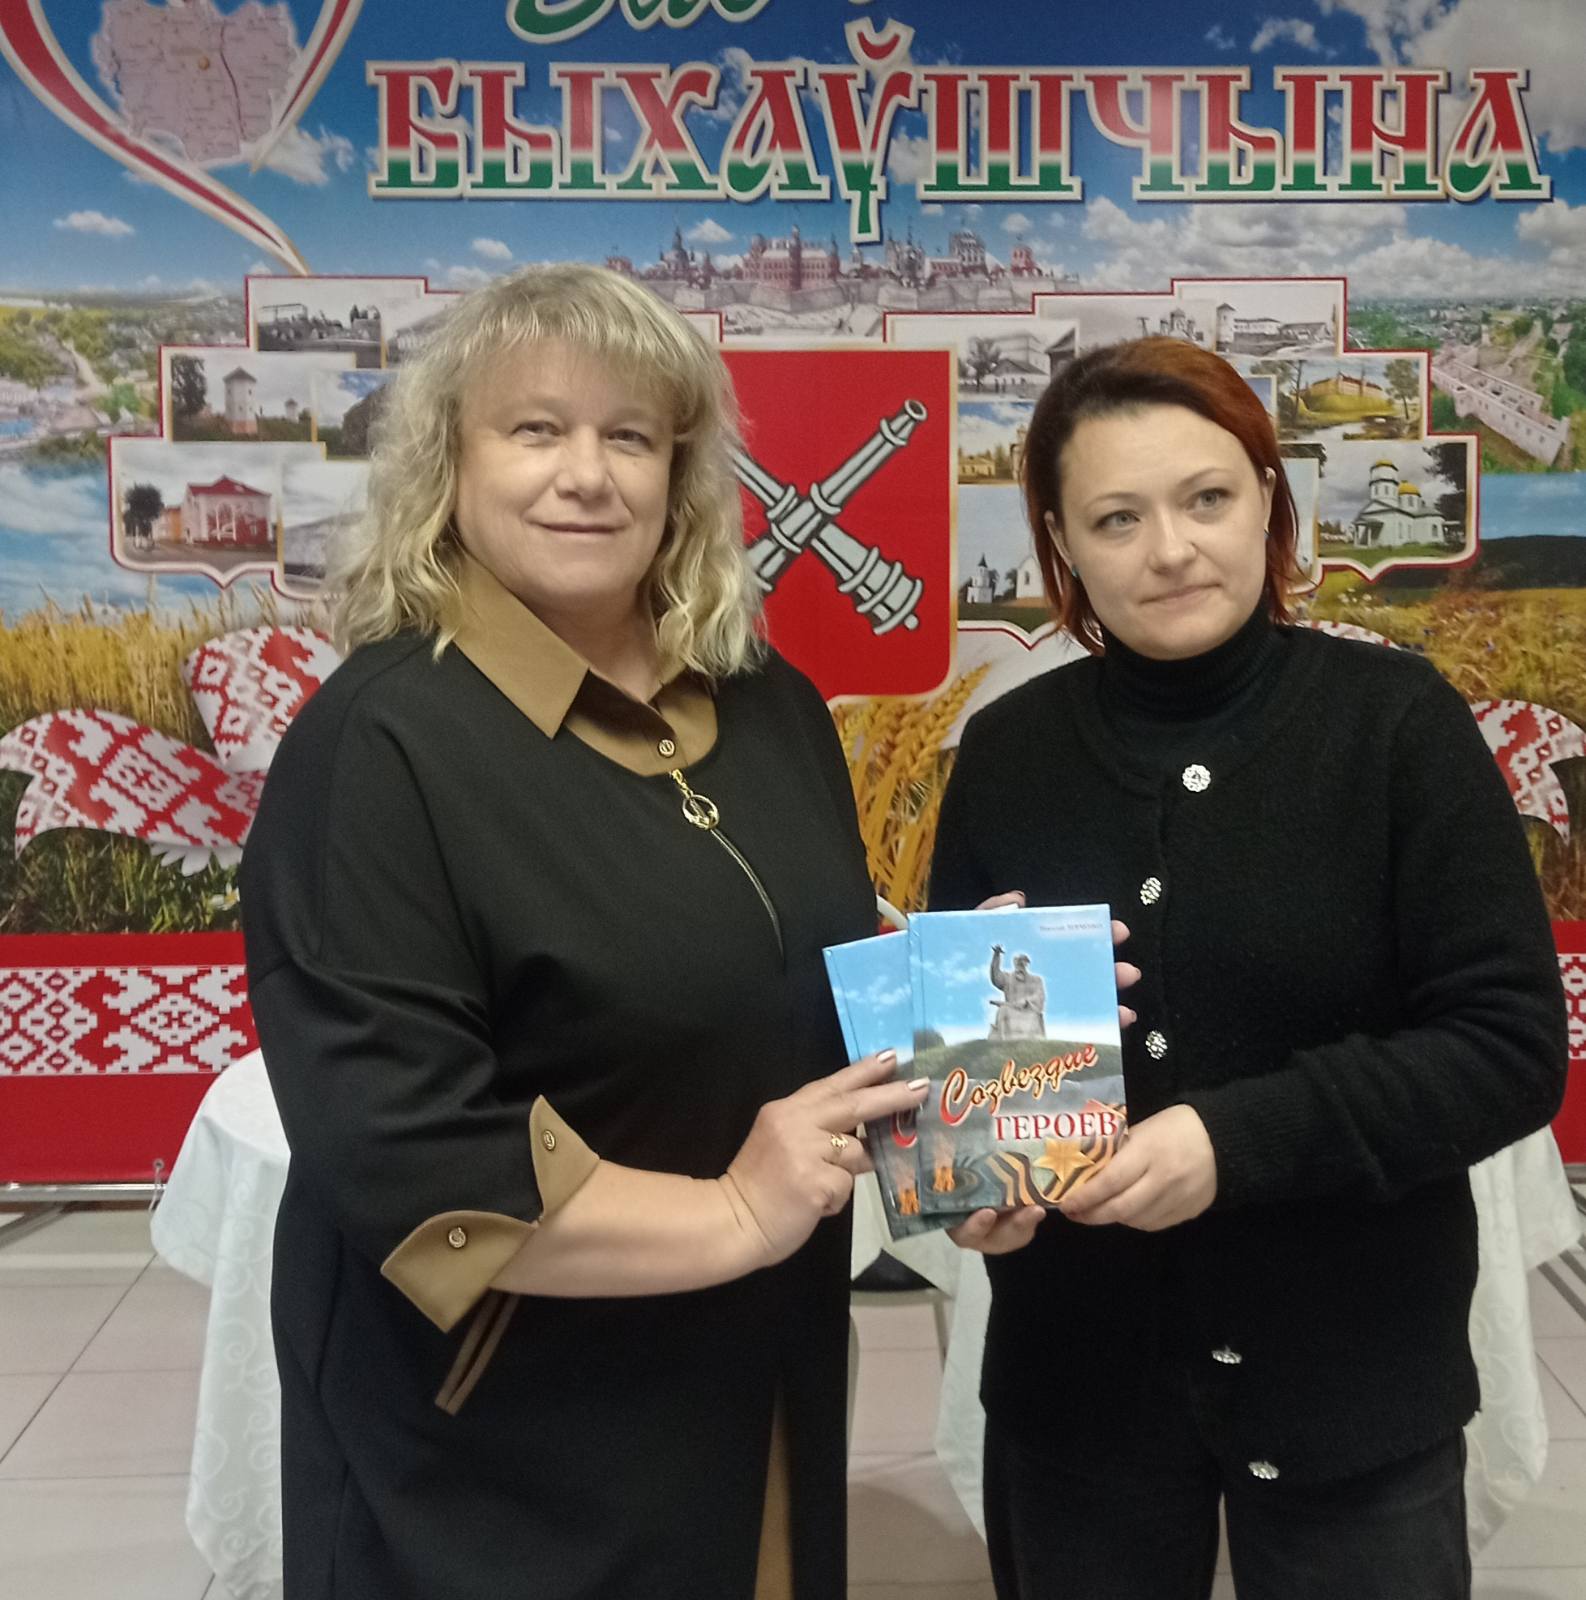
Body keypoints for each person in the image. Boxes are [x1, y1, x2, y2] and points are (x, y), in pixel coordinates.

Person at [238, 263, 933, 1600]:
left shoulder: (766, 702)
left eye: (629, 435)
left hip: (755, 1371)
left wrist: (969, 1005)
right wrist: (734, 1208)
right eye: (534, 429)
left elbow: (783, 975)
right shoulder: (379, 745)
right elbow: (411, 1153)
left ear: (680, 473)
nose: (587, 475)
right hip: (512, 1434)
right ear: (450, 462)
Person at [929, 336, 1569, 1600]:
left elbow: (1505, 1048)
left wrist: (1233, 1142)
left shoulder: (1394, 724)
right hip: (1080, 1382)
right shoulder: (1005, 752)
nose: (1168, 549)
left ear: (1268, 500)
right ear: (1060, 543)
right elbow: (973, 1064)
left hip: (1349, 1378)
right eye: (1116, 517)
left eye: (1206, 498)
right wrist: (973, 1183)